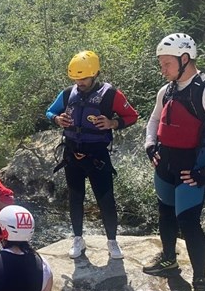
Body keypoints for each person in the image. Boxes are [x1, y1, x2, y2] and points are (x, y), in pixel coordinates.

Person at [46, 50, 139, 259]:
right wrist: (56, 119)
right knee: (75, 198)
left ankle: (112, 241)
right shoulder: (68, 92)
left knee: (106, 199)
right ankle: (78, 238)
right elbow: (49, 112)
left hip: (97, 156)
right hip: (72, 154)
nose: (80, 82)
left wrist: (112, 123)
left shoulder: (111, 94)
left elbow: (132, 116)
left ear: (95, 74)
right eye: (76, 78)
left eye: (84, 78)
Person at [142, 33, 205, 291]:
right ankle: (169, 259)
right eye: (161, 63)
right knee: (165, 213)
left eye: (166, 63)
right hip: (165, 166)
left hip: (191, 171)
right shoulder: (166, 90)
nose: (162, 69)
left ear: (184, 59)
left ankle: (201, 282)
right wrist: (150, 145)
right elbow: (154, 119)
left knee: (190, 223)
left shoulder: (203, 90)